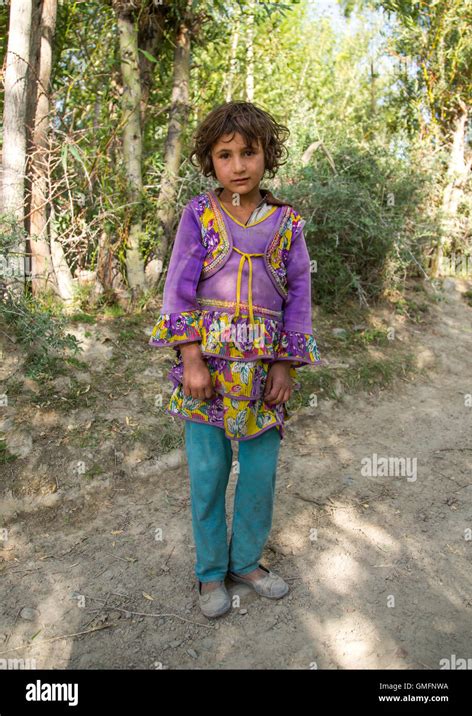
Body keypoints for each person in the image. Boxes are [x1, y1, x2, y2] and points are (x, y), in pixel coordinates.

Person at [149, 101, 321, 618]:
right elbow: (178, 290)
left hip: (264, 375)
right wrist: (192, 359)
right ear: (211, 162)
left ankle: (245, 562)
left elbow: (298, 294)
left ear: (268, 155)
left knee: (260, 472)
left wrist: (285, 364)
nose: (239, 165)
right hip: (205, 374)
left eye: (249, 152)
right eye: (226, 155)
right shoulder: (198, 215)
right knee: (207, 472)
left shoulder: (287, 222)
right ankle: (209, 575)